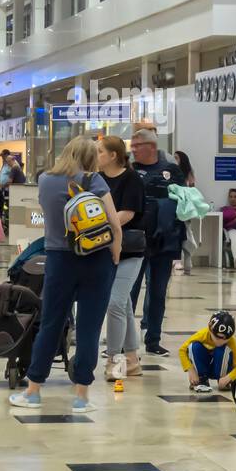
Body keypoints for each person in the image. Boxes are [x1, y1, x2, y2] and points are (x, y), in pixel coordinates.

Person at [9, 135, 122, 413]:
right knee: (89, 328)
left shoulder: (46, 180)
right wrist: (114, 258)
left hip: (59, 260)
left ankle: (33, 391)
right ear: (89, 157)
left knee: (51, 323)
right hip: (96, 260)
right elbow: (114, 223)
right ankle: (81, 397)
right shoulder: (94, 181)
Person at [128, 128, 185, 357]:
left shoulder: (171, 170)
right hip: (135, 240)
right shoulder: (130, 171)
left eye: (136, 145)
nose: (132, 150)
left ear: (151, 146)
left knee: (158, 291)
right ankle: (124, 341)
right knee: (128, 292)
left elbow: (184, 200)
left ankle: (153, 339)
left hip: (164, 242)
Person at [97, 135, 146, 380]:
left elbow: (128, 213)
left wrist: (101, 224)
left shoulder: (131, 178)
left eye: (100, 152)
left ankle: (114, 362)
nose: (97, 157)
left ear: (113, 155)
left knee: (114, 303)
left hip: (130, 250)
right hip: (104, 248)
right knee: (124, 304)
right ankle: (132, 359)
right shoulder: (97, 179)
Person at [179, 311, 236, 393]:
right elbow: (182, 350)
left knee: (223, 349)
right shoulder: (202, 334)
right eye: (217, 338)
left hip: (220, 370)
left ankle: (222, 379)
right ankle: (202, 378)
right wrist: (191, 370)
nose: (220, 341)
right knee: (194, 346)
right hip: (205, 365)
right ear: (210, 331)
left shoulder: (231, 342)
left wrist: (228, 378)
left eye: (225, 339)